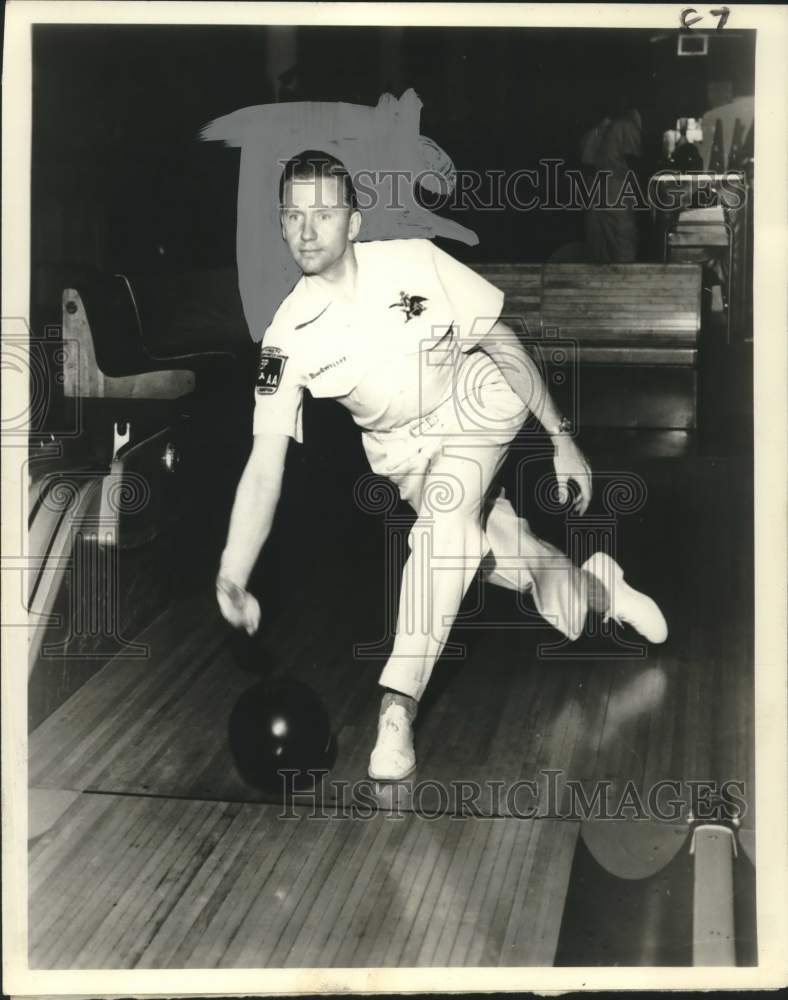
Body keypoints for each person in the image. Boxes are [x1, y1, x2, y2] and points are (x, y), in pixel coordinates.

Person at [216, 151, 668, 782]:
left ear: (354, 220)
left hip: (478, 402)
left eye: (324, 212)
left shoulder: (415, 262)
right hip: (403, 456)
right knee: (496, 556)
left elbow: (501, 340)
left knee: (444, 523)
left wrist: (560, 436)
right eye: (293, 214)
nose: (308, 229)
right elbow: (264, 465)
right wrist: (232, 574)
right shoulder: (287, 336)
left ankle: (396, 710)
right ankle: (598, 590)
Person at [581, 106, 643, 263]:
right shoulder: (626, 125)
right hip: (616, 187)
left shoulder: (594, 131)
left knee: (601, 245)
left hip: (595, 189)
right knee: (623, 238)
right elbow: (632, 160)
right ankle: (627, 281)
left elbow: (587, 165)